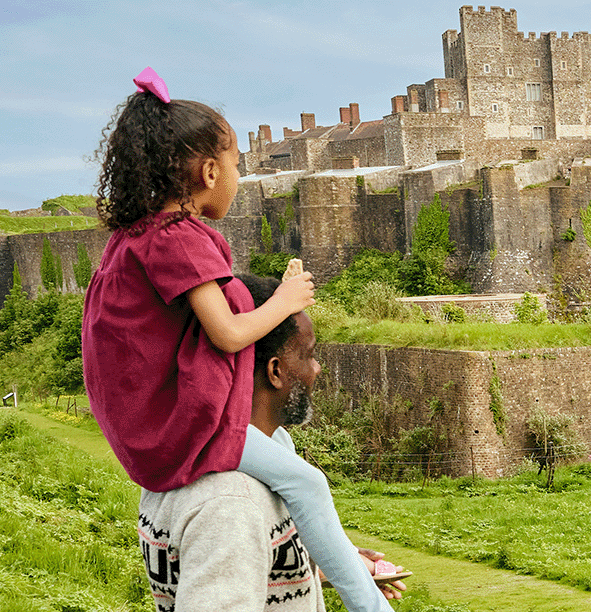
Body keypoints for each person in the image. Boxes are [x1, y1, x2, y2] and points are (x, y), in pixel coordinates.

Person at [83, 67, 391, 612]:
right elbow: (226, 334)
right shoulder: (180, 239)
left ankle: (350, 573)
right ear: (206, 172)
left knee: (289, 462)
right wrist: (286, 301)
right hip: (183, 426)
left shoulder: (136, 238)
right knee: (310, 484)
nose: (237, 178)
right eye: (235, 167)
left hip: (147, 427)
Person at [139, 274, 407, 610]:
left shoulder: (191, 459)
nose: (317, 369)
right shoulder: (231, 504)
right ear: (275, 370)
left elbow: (238, 567)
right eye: (308, 355)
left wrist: (333, 567)